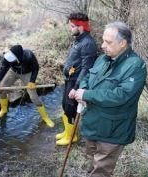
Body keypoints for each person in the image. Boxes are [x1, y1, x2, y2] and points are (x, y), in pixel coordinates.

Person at [74, 21, 147, 177]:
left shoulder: (136, 65)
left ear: (122, 43)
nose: (102, 46)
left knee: (101, 170)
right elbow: (88, 76)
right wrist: (83, 88)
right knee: (91, 160)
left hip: (113, 129)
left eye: (108, 42)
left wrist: (87, 95)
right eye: (103, 41)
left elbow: (122, 95)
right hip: (92, 123)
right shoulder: (103, 59)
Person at [0, 44, 55, 128]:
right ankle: (3, 109)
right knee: (2, 88)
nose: (10, 60)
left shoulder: (29, 56)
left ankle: (45, 118)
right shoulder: (7, 58)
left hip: (27, 73)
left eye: (12, 58)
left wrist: (32, 81)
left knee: (33, 96)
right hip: (13, 72)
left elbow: (36, 68)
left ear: (18, 57)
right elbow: (2, 71)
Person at [56, 12, 97, 146]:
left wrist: (76, 88)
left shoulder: (88, 43)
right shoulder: (78, 40)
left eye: (73, 26)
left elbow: (86, 68)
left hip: (75, 82)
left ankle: (72, 137)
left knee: (70, 108)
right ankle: (68, 132)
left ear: (81, 27)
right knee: (66, 106)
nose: (70, 28)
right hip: (70, 79)